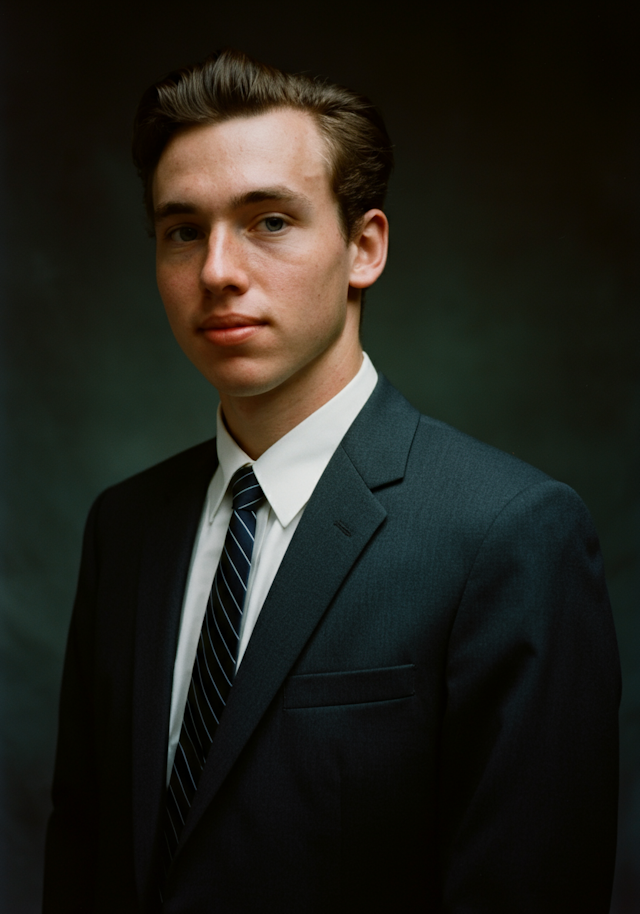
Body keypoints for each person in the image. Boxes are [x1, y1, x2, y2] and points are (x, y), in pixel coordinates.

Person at [43, 48, 620, 914]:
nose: (217, 271)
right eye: (183, 229)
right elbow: (83, 857)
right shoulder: (123, 528)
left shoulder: (510, 532)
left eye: (269, 221)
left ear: (364, 246)